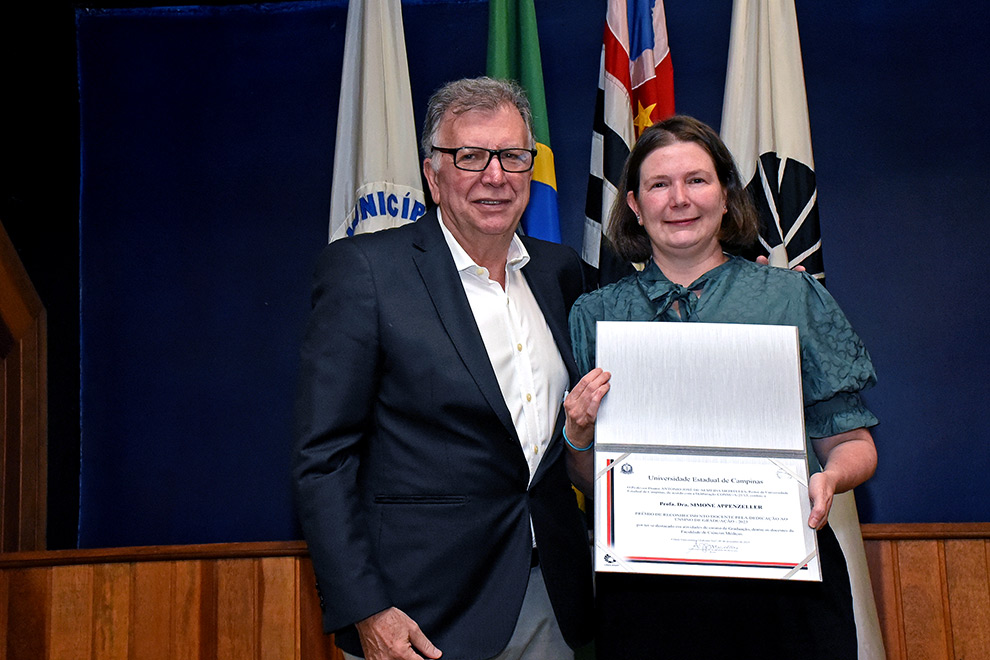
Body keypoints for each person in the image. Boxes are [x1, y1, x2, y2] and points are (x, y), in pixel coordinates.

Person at [293, 77, 596, 660]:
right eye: (470, 157)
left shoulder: (560, 273)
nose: (495, 175)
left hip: (553, 598)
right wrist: (366, 608)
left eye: (512, 156)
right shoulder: (366, 272)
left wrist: (742, 293)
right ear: (433, 176)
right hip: (422, 615)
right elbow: (321, 459)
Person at [563, 115, 878, 659]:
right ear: (635, 205)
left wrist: (829, 480)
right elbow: (592, 480)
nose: (678, 199)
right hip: (648, 595)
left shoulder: (791, 299)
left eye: (697, 180)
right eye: (659, 185)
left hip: (783, 589)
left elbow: (854, 445)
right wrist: (577, 433)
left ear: (727, 195)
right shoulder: (597, 315)